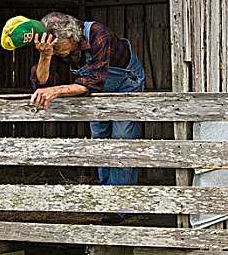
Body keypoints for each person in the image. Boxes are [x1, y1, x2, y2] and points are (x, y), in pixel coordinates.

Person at [29, 12, 145, 187]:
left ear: (71, 37)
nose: (54, 51)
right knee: (99, 138)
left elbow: (94, 80)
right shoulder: (54, 47)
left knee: (122, 139)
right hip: (95, 89)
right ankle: (106, 195)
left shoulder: (98, 34)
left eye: (56, 47)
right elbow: (42, 82)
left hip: (126, 83)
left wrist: (58, 90)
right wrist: (45, 56)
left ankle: (120, 204)